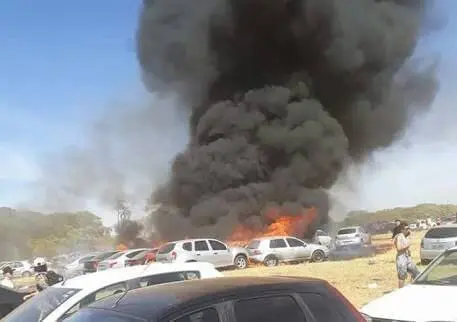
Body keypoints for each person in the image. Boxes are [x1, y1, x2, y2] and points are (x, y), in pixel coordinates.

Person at [394, 222, 420, 288]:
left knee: (416, 273)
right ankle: (400, 292)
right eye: (406, 229)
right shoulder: (399, 236)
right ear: (402, 230)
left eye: (408, 228)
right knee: (402, 276)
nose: (408, 230)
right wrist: (407, 246)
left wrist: (409, 252)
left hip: (407, 258)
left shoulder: (406, 236)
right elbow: (399, 248)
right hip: (401, 258)